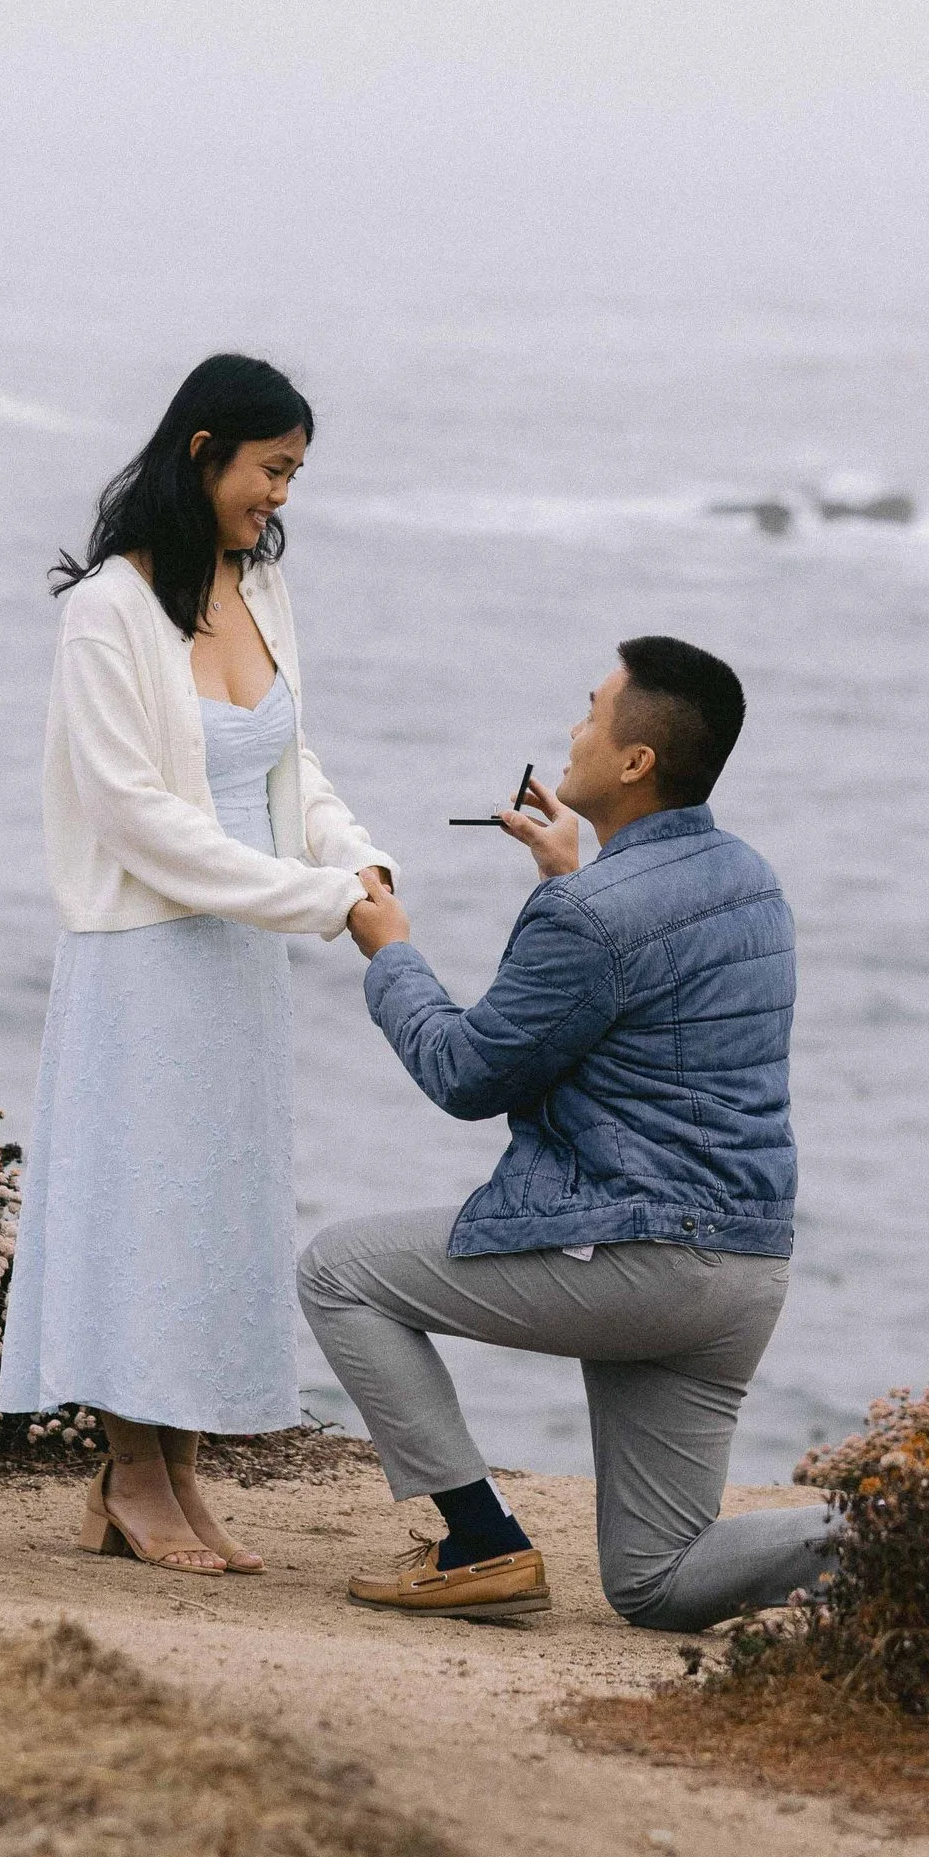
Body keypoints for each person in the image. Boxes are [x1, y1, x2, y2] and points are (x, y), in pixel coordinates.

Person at [299, 635, 839, 1628]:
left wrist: (390, 954)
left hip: (643, 1262)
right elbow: (641, 979)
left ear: (636, 761)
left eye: (591, 712)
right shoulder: (751, 879)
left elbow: (465, 1074)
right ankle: (900, 1530)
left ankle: (478, 1542)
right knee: (656, 1583)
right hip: (742, 1272)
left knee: (338, 1269)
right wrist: (566, 880)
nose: (574, 730)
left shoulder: (591, 916)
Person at [0, 352, 394, 1574]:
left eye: (293, 476)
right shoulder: (106, 610)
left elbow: (286, 764)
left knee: (213, 1214)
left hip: (241, 956)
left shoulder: (259, 589)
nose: (280, 496)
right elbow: (137, 817)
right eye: (271, 471)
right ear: (203, 448)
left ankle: (175, 1473)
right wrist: (317, 902)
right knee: (139, 1213)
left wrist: (356, 858)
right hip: (142, 956)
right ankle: (129, 1475)